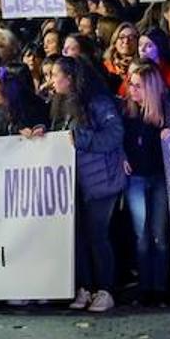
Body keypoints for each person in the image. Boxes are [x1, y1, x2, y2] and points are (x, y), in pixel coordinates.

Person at [51, 56, 125, 313]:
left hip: (100, 180)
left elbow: (115, 134)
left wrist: (82, 139)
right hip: (76, 183)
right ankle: (86, 287)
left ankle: (106, 290)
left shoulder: (98, 103)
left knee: (98, 236)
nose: (52, 81)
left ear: (70, 78)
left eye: (55, 75)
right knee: (79, 237)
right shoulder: (62, 105)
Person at [123, 61, 170, 305]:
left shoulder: (166, 109)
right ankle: (146, 287)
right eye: (131, 85)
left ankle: (162, 287)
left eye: (137, 86)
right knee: (142, 235)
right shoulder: (127, 111)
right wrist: (121, 156)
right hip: (135, 177)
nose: (132, 91)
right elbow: (118, 138)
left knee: (159, 234)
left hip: (158, 176)